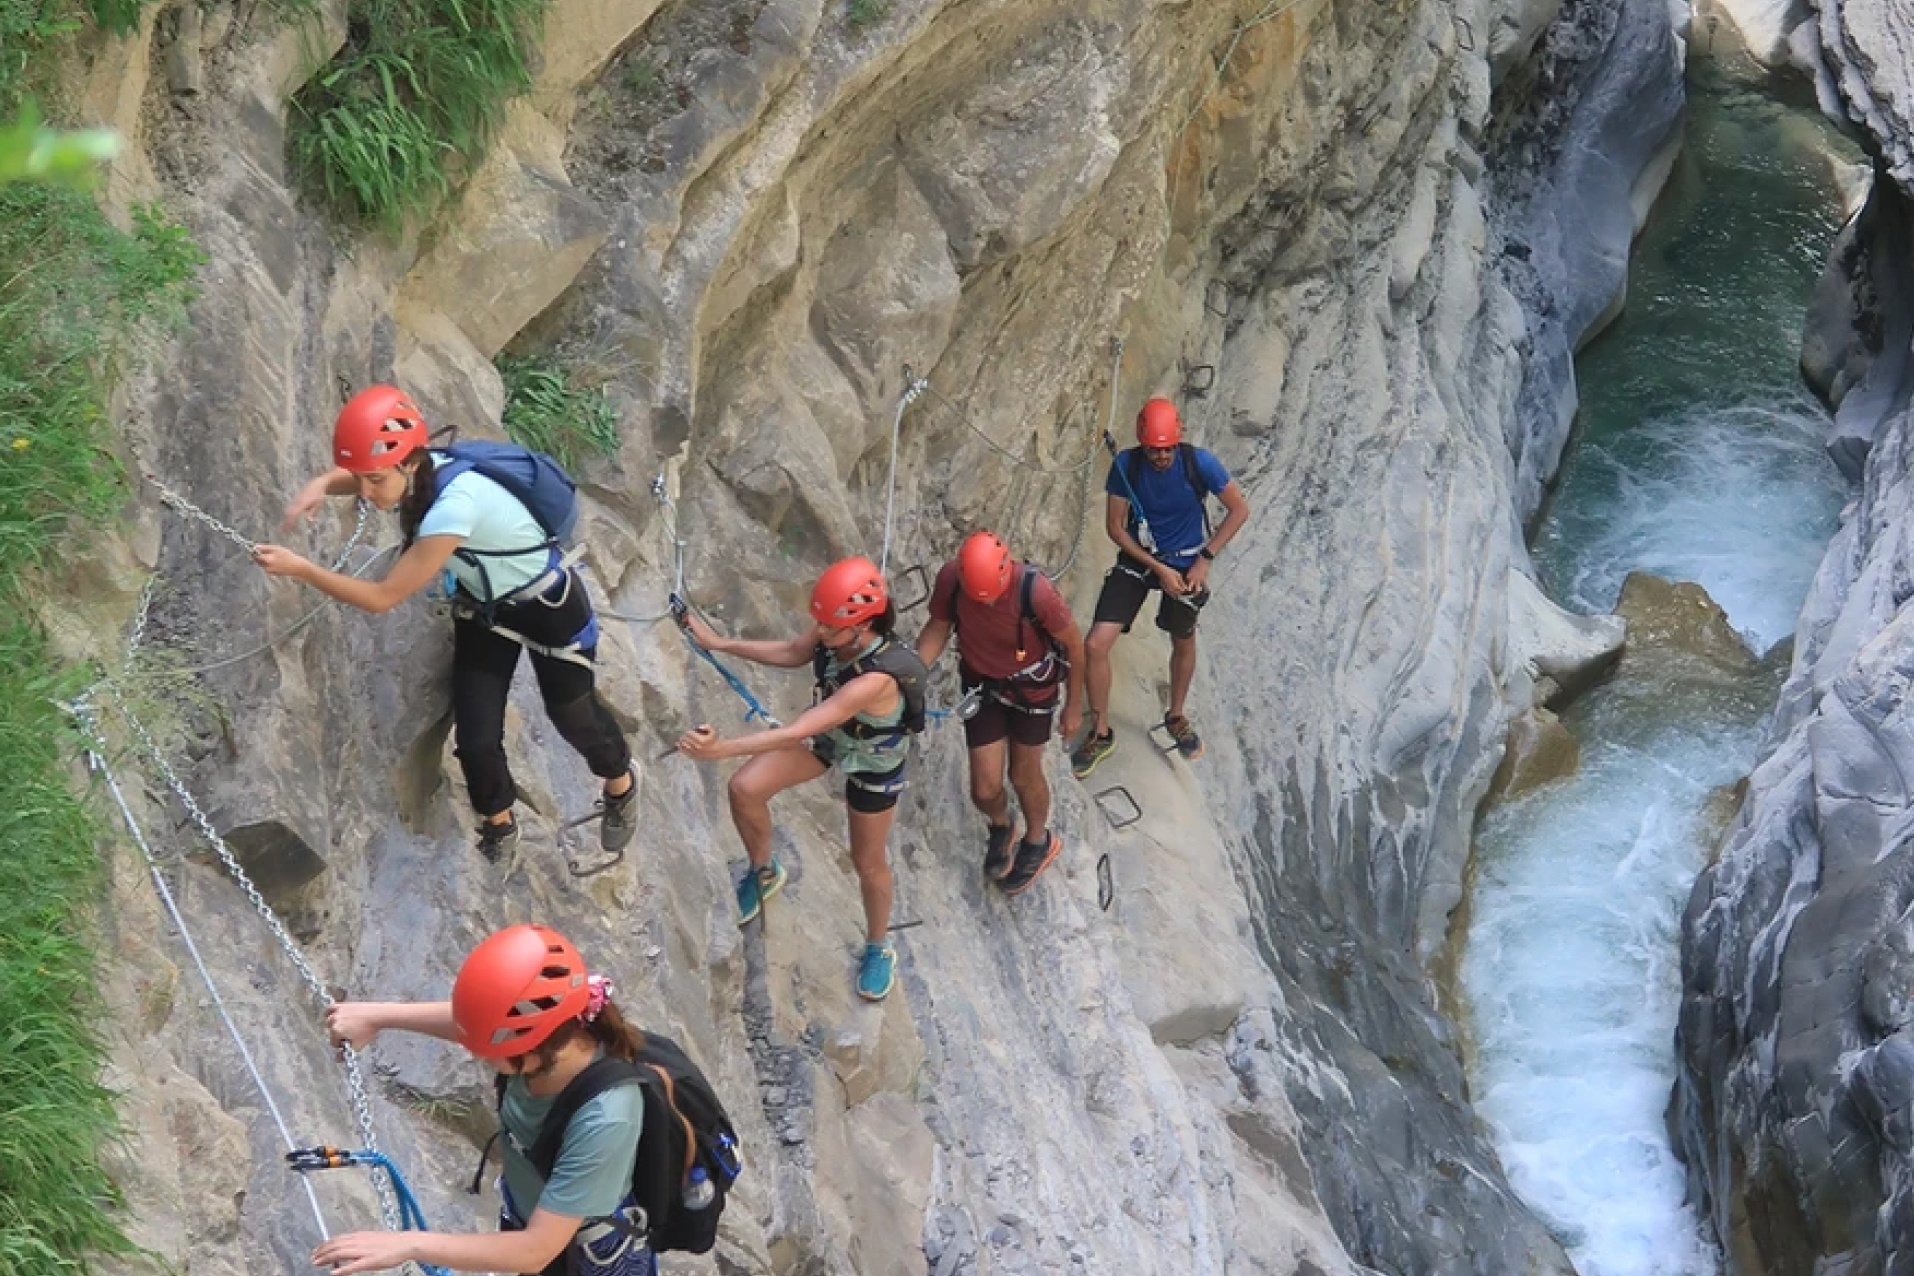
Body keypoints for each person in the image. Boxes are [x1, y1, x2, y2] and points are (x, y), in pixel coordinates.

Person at [256, 385, 636, 863]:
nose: (370, 494)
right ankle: (499, 822)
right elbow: (370, 475)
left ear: (409, 462)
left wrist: (303, 569)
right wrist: (325, 484)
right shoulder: (420, 468)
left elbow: (381, 597)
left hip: (549, 606)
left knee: (574, 718)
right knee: (476, 739)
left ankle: (620, 783)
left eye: (375, 481)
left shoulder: (455, 506)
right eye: (363, 480)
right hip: (485, 609)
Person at [312, 923, 655, 1275]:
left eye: (489, 1050)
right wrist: (377, 1016)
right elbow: (475, 1024)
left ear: (535, 1047)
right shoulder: (546, 1039)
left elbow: (536, 1250)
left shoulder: (606, 1118)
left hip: (591, 1255)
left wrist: (409, 1243)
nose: (477, 1054)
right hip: (530, 1215)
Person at [675, 558, 926, 1002]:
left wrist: (720, 749)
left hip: (874, 761)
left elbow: (800, 729)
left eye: (830, 628)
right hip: (832, 739)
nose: (821, 634)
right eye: (821, 624)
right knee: (745, 789)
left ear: (863, 625)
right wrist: (718, 643)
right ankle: (763, 870)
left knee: (867, 862)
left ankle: (878, 946)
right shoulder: (836, 630)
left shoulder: (878, 678)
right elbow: (794, 652)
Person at [1070, 396, 1250, 779]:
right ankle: (1101, 732)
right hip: (1142, 559)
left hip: (1187, 561)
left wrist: (1205, 559)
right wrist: (1156, 567)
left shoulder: (1197, 462)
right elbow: (1115, 527)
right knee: (1095, 644)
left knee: (1183, 638)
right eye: (1155, 450)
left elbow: (1239, 509)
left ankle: (1176, 715)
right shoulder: (1127, 466)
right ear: (1143, 443)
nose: (1162, 457)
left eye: (1167, 450)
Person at [915, 531, 1085, 893]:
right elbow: (939, 628)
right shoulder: (952, 580)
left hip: (1032, 691)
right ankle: (1001, 824)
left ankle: (1038, 840)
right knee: (984, 787)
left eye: (992, 597)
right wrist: (909, 675)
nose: (988, 604)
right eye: (982, 599)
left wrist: (1074, 705)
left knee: (1024, 775)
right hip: (983, 685)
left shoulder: (1036, 592)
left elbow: (1074, 645)